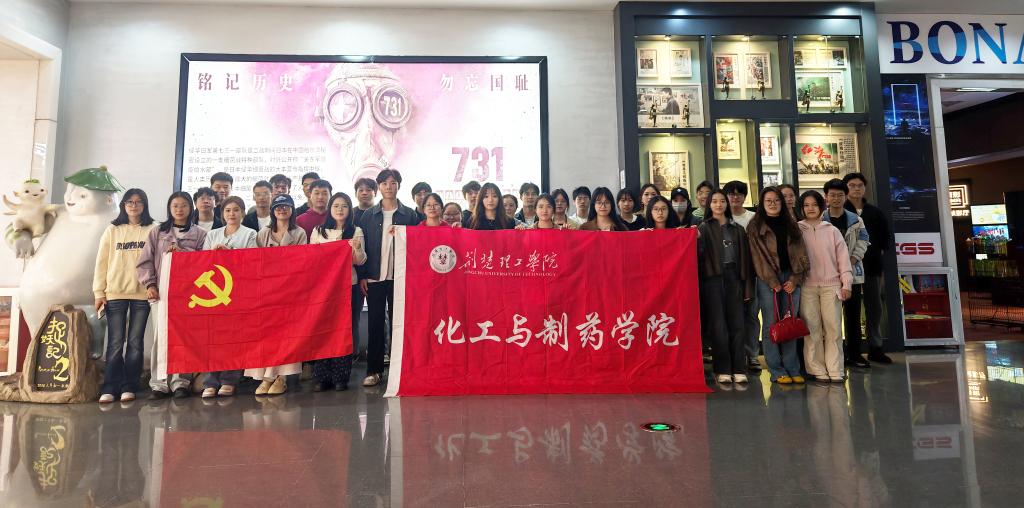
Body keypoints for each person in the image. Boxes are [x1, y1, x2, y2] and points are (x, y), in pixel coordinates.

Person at [137, 192, 207, 399]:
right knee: (161, 337)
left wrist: (183, 254)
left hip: (188, 295)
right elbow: (145, 261)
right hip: (162, 292)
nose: (179, 209)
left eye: (184, 205)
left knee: (183, 338)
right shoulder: (157, 232)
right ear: (169, 208)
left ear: (190, 208)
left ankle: (180, 382)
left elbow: (205, 262)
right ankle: (159, 383)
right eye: (175, 205)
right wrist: (150, 284)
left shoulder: (200, 234)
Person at [357, 169, 421, 387]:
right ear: (379, 187)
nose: (389, 187)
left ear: (398, 186)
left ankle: (400, 370)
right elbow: (363, 247)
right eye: (384, 183)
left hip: (400, 278)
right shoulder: (368, 215)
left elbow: (417, 246)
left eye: (393, 183)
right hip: (375, 278)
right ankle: (374, 371)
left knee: (400, 324)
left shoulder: (409, 215)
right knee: (375, 324)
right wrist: (363, 276)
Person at [94, 189, 157, 403]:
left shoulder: (154, 228)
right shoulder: (112, 230)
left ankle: (130, 385)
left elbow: (157, 260)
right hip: (115, 292)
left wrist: (153, 285)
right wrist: (99, 292)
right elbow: (101, 262)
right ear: (123, 205)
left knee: (135, 342)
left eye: (138, 202)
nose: (133, 205)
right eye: (129, 201)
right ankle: (110, 387)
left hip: (142, 294)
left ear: (144, 205)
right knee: (115, 343)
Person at [747, 187, 810, 384]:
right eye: (768, 200)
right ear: (762, 203)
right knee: (771, 324)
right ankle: (776, 370)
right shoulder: (755, 226)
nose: (773, 204)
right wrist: (773, 282)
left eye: (776, 200)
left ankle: (793, 368)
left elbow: (801, 254)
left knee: (790, 323)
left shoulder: (792, 224)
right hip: (767, 280)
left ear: (782, 203)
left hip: (791, 278)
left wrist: (795, 279)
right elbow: (757, 258)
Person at [249, 194, 308, 395]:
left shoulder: (299, 233)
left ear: (292, 209)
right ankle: (267, 376)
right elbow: (255, 260)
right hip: (267, 291)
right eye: (278, 207)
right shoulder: (263, 233)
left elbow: (301, 261)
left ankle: (280, 378)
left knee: (286, 336)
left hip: (290, 291)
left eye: (286, 207)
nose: (282, 210)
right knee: (268, 335)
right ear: (273, 211)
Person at [200, 196, 257, 398]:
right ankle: (210, 381)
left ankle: (229, 380)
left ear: (243, 213)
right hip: (214, 291)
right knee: (213, 337)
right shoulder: (212, 234)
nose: (232, 214)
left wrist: (230, 253)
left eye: (236, 210)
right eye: (227, 210)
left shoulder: (250, 233)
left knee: (234, 336)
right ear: (222, 214)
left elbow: (252, 261)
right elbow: (203, 261)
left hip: (238, 291)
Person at [310, 192, 367, 392]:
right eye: (336, 206)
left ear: (349, 209)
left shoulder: (356, 230)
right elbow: (312, 258)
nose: (340, 210)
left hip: (348, 285)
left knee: (344, 330)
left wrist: (357, 249)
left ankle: (341, 376)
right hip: (323, 288)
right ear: (330, 209)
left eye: (344, 206)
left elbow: (360, 261)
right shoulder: (318, 231)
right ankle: (322, 377)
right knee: (322, 329)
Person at [697, 189, 754, 384]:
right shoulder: (704, 228)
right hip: (713, 279)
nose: (719, 204)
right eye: (714, 201)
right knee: (718, 325)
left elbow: (746, 259)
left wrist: (747, 286)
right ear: (709, 205)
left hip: (734, 277)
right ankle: (722, 368)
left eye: (722, 201)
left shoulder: (737, 228)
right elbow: (700, 257)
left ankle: (739, 368)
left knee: (737, 324)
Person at [798, 190, 853, 383]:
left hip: (832, 286)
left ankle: (836, 369)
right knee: (812, 330)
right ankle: (816, 368)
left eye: (814, 204)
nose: (810, 208)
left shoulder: (832, 230)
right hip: (807, 287)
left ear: (822, 206)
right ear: (801, 208)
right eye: (806, 205)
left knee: (834, 329)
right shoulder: (797, 230)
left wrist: (847, 284)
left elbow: (843, 260)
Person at [843, 172, 892, 364]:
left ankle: (875, 347)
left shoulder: (875, 212)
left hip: (872, 267)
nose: (856, 189)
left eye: (860, 185)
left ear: (865, 188)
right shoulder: (840, 212)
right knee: (851, 309)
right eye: (852, 185)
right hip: (848, 268)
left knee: (875, 307)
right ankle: (852, 350)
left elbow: (884, 240)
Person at [823, 179, 870, 369]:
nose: (836, 198)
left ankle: (855, 354)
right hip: (827, 275)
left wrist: (852, 259)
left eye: (840, 195)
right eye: (832, 195)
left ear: (845, 197)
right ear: (826, 197)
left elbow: (864, 240)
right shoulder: (821, 219)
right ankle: (834, 356)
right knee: (829, 318)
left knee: (853, 315)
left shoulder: (856, 220)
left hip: (852, 274)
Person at [723, 180, 759, 370]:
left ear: (745, 196)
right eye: (731, 194)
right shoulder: (722, 218)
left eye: (739, 194)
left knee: (751, 315)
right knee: (730, 316)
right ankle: (734, 355)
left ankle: (752, 354)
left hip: (753, 273)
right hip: (729, 275)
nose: (735, 197)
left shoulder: (754, 218)